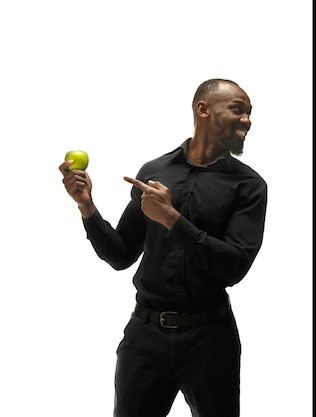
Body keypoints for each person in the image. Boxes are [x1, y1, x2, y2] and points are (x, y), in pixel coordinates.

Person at [59, 78, 267, 417]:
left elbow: (234, 267)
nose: (247, 120)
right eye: (237, 110)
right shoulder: (155, 171)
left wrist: (173, 219)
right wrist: (86, 206)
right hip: (145, 339)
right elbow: (120, 254)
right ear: (203, 110)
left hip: (211, 340)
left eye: (249, 113)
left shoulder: (249, 185)